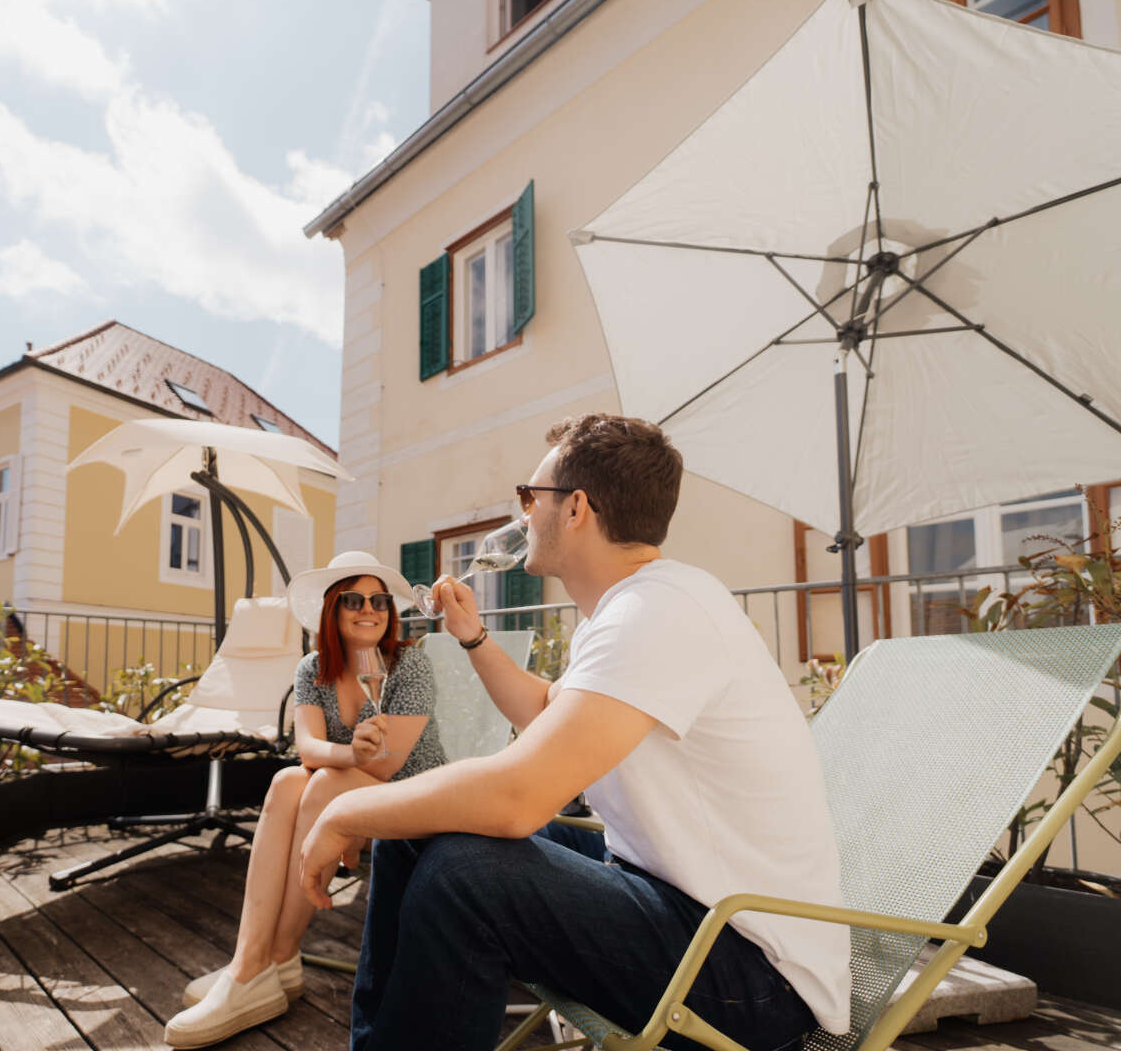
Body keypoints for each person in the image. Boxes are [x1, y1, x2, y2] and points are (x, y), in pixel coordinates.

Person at [298, 414, 853, 1051]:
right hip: (676, 900)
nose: (523, 514)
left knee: (463, 875)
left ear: (576, 508)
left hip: (754, 973)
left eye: (529, 498)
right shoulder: (629, 611)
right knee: (420, 829)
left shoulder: (659, 612)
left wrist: (347, 811)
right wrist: (473, 637)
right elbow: (546, 711)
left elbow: (518, 799)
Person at [163, 551, 447, 1050]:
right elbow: (308, 748)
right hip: (353, 794)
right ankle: (256, 963)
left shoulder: (410, 665)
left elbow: (386, 765)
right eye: (354, 599)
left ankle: (269, 961)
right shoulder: (314, 668)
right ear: (332, 610)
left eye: (380, 599)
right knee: (286, 782)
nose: (370, 609)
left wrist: (355, 756)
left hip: (419, 799)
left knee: (319, 784)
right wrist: (348, 748)